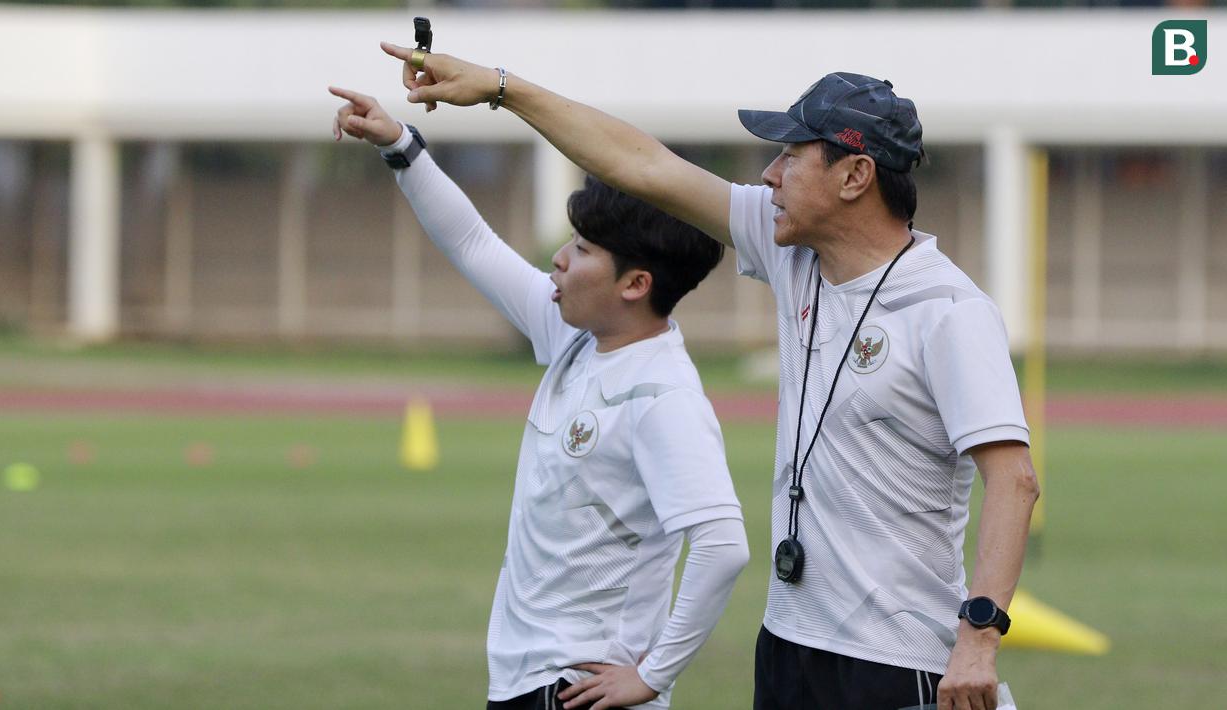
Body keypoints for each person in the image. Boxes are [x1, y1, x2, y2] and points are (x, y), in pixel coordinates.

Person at [379, 44, 1041, 710]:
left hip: (894, 660)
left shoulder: (949, 312)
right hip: (785, 646)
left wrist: (979, 636)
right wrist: (500, 88)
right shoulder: (791, 254)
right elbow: (640, 165)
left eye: (789, 156)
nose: (768, 174)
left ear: (854, 175)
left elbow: (1013, 481)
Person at [327, 86, 750, 710]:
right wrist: (401, 146)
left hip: (579, 690)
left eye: (581, 250)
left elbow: (723, 547)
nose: (558, 258)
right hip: (528, 683)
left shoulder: (663, 395)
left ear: (636, 283)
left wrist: (653, 676)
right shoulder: (577, 336)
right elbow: (473, 244)